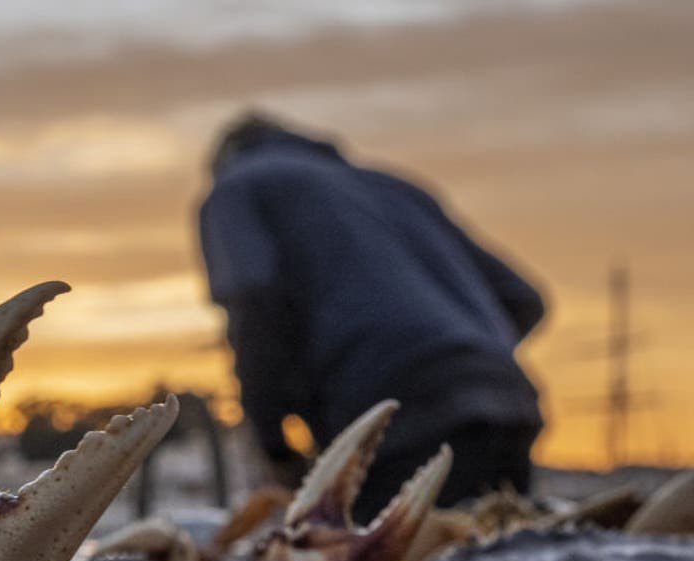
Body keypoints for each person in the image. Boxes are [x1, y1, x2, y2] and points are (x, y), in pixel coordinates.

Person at [197, 112, 545, 523]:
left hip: (390, 420)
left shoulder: (238, 187)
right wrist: (467, 360)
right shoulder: (393, 186)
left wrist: (274, 444)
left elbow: (253, 302)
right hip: (509, 405)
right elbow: (524, 299)